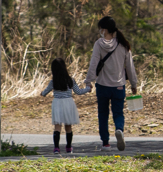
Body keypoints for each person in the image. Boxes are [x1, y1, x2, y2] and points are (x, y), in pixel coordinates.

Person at [85, 16, 138, 151]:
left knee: (103, 114)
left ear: (104, 30)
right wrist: (133, 84)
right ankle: (119, 129)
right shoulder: (123, 44)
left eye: (100, 29)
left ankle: (106, 143)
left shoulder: (99, 44)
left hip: (102, 85)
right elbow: (129, 66)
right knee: (118, 113)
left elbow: (94, 63)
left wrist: (89, 81)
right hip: (119, 86)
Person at [40, 57, 92, 155]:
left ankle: (56, 148)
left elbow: (45, 92)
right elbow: (78, 92)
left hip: (57, 103)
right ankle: (68, 147)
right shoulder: (70, 80)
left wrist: (42, 93)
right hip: (68, 103)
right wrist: (88, 89)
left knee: (57, 127)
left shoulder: (53, 82)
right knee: (68, 126)